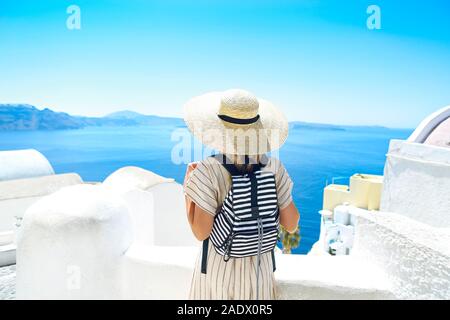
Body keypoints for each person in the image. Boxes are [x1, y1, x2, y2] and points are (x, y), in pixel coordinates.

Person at [183, 89, 300, 300]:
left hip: (218, 271)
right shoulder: (274, 167)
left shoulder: (208, 170)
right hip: (260, 274)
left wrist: (188, 188)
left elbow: (201, 232)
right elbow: (291, 223)